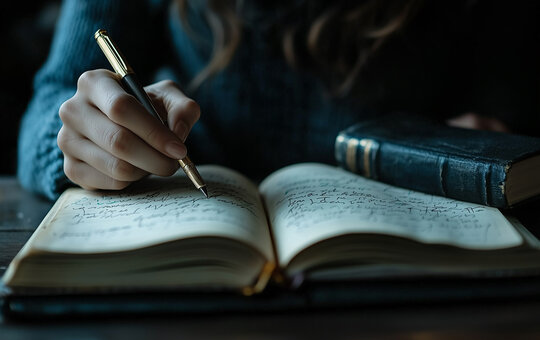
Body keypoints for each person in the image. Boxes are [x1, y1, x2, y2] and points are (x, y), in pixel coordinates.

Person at [18, 0, 539, 200]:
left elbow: (509, 122)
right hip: (193, 273)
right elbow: (50, 104)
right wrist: (84, 139)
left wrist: (490, 147)